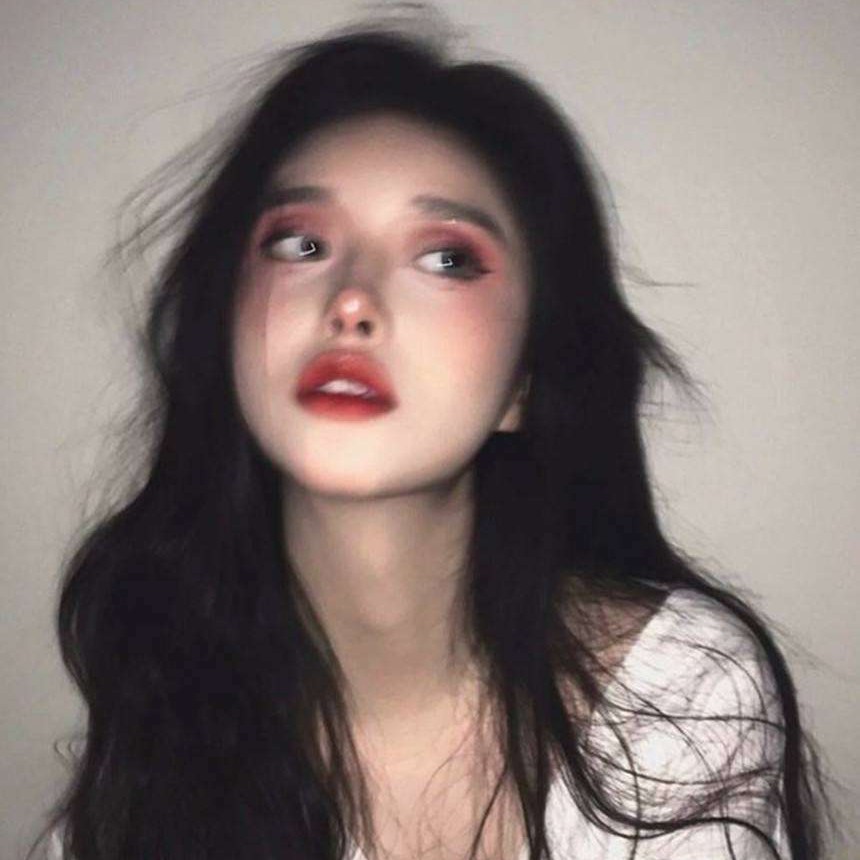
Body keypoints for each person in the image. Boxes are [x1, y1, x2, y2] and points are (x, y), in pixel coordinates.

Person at [37, 6, 828, 860]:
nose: (350, 299)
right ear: (226, 326)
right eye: (300, 244)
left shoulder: (677, 698)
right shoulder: (151, 759)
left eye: (447, 258)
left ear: (523, 379)